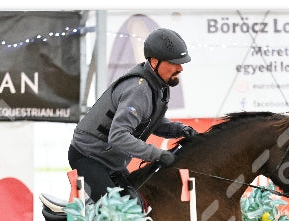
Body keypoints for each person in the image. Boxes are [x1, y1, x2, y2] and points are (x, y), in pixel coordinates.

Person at [68, 28, 197, 203]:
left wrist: (180, 129)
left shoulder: (159, 86)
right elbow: (118, 136)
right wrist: (157, 154)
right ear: (154, 62)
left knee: (140, 204)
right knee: (120, 213)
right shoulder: (138, 89)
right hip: (88, 158)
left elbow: (153, 123)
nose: (180, 68)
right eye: (174, 63)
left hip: (111, 162)